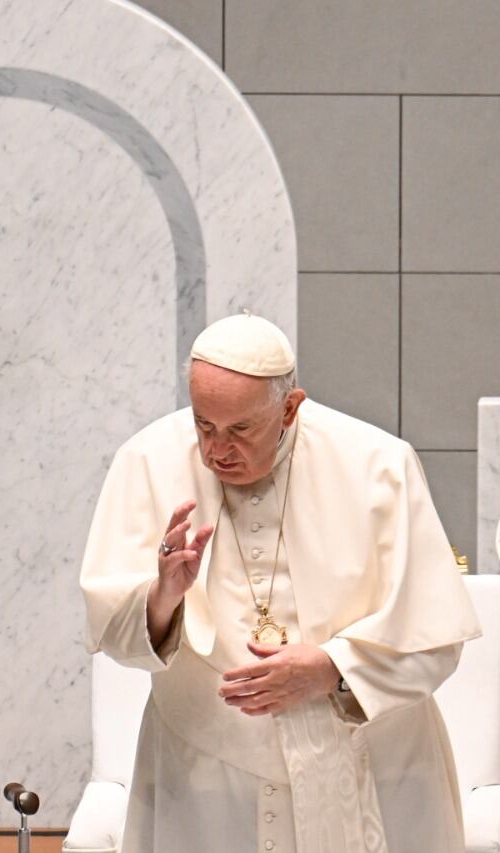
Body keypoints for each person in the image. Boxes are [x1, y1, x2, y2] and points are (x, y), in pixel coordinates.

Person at [80, 313, 481, 853]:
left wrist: (334, 668)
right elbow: (113, 632)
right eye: (203, 425)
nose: (217, 449)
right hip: (208, 776)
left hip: (372, 759)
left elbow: (434, 639)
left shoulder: (379, 464)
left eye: (240, 429)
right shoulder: (146, 460)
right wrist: (163, 597)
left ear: (290, 408)